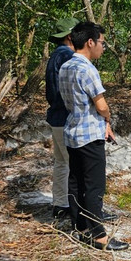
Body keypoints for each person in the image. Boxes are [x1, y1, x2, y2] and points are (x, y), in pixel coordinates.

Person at [58, 21, 128, 251]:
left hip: (72, 131)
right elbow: (101, 104)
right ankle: (99, 237)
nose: (103, 48)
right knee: (95, 186)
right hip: (89, 134)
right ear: (90, 42)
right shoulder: (87, 68)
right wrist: (107, 118)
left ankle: (81, 229)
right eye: (102, 43)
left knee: (76, 183)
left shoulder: (66, 66)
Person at [45, 18, 78, 227]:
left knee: (61, 162)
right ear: (69, 36)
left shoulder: (55, 56)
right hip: (66, 117)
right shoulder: (68, 56)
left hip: (55, 117)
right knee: (75, 165)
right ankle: (80, 210)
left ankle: (60, 205)